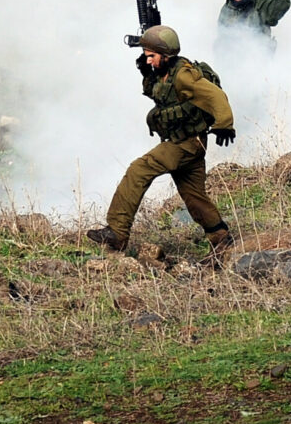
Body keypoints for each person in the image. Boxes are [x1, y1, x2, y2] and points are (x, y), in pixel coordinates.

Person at [87, 25, 236, 261]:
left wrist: (224, 125)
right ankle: (221, 239)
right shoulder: (164, 71)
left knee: (139, 169)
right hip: (186, 142)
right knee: (193, 195)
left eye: (152, 56)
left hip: (186, 143)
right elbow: (158, 93)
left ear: (166, 55)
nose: (149, 60)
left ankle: (117, 232)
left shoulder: (184, 74)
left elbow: (216, 96)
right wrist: (146, 70)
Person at [215, 0, 291, 64]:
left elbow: (278, 9)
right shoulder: (227, 10)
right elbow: (222, 37)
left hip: (258, 62)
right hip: (233, 63)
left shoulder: (259, 4)